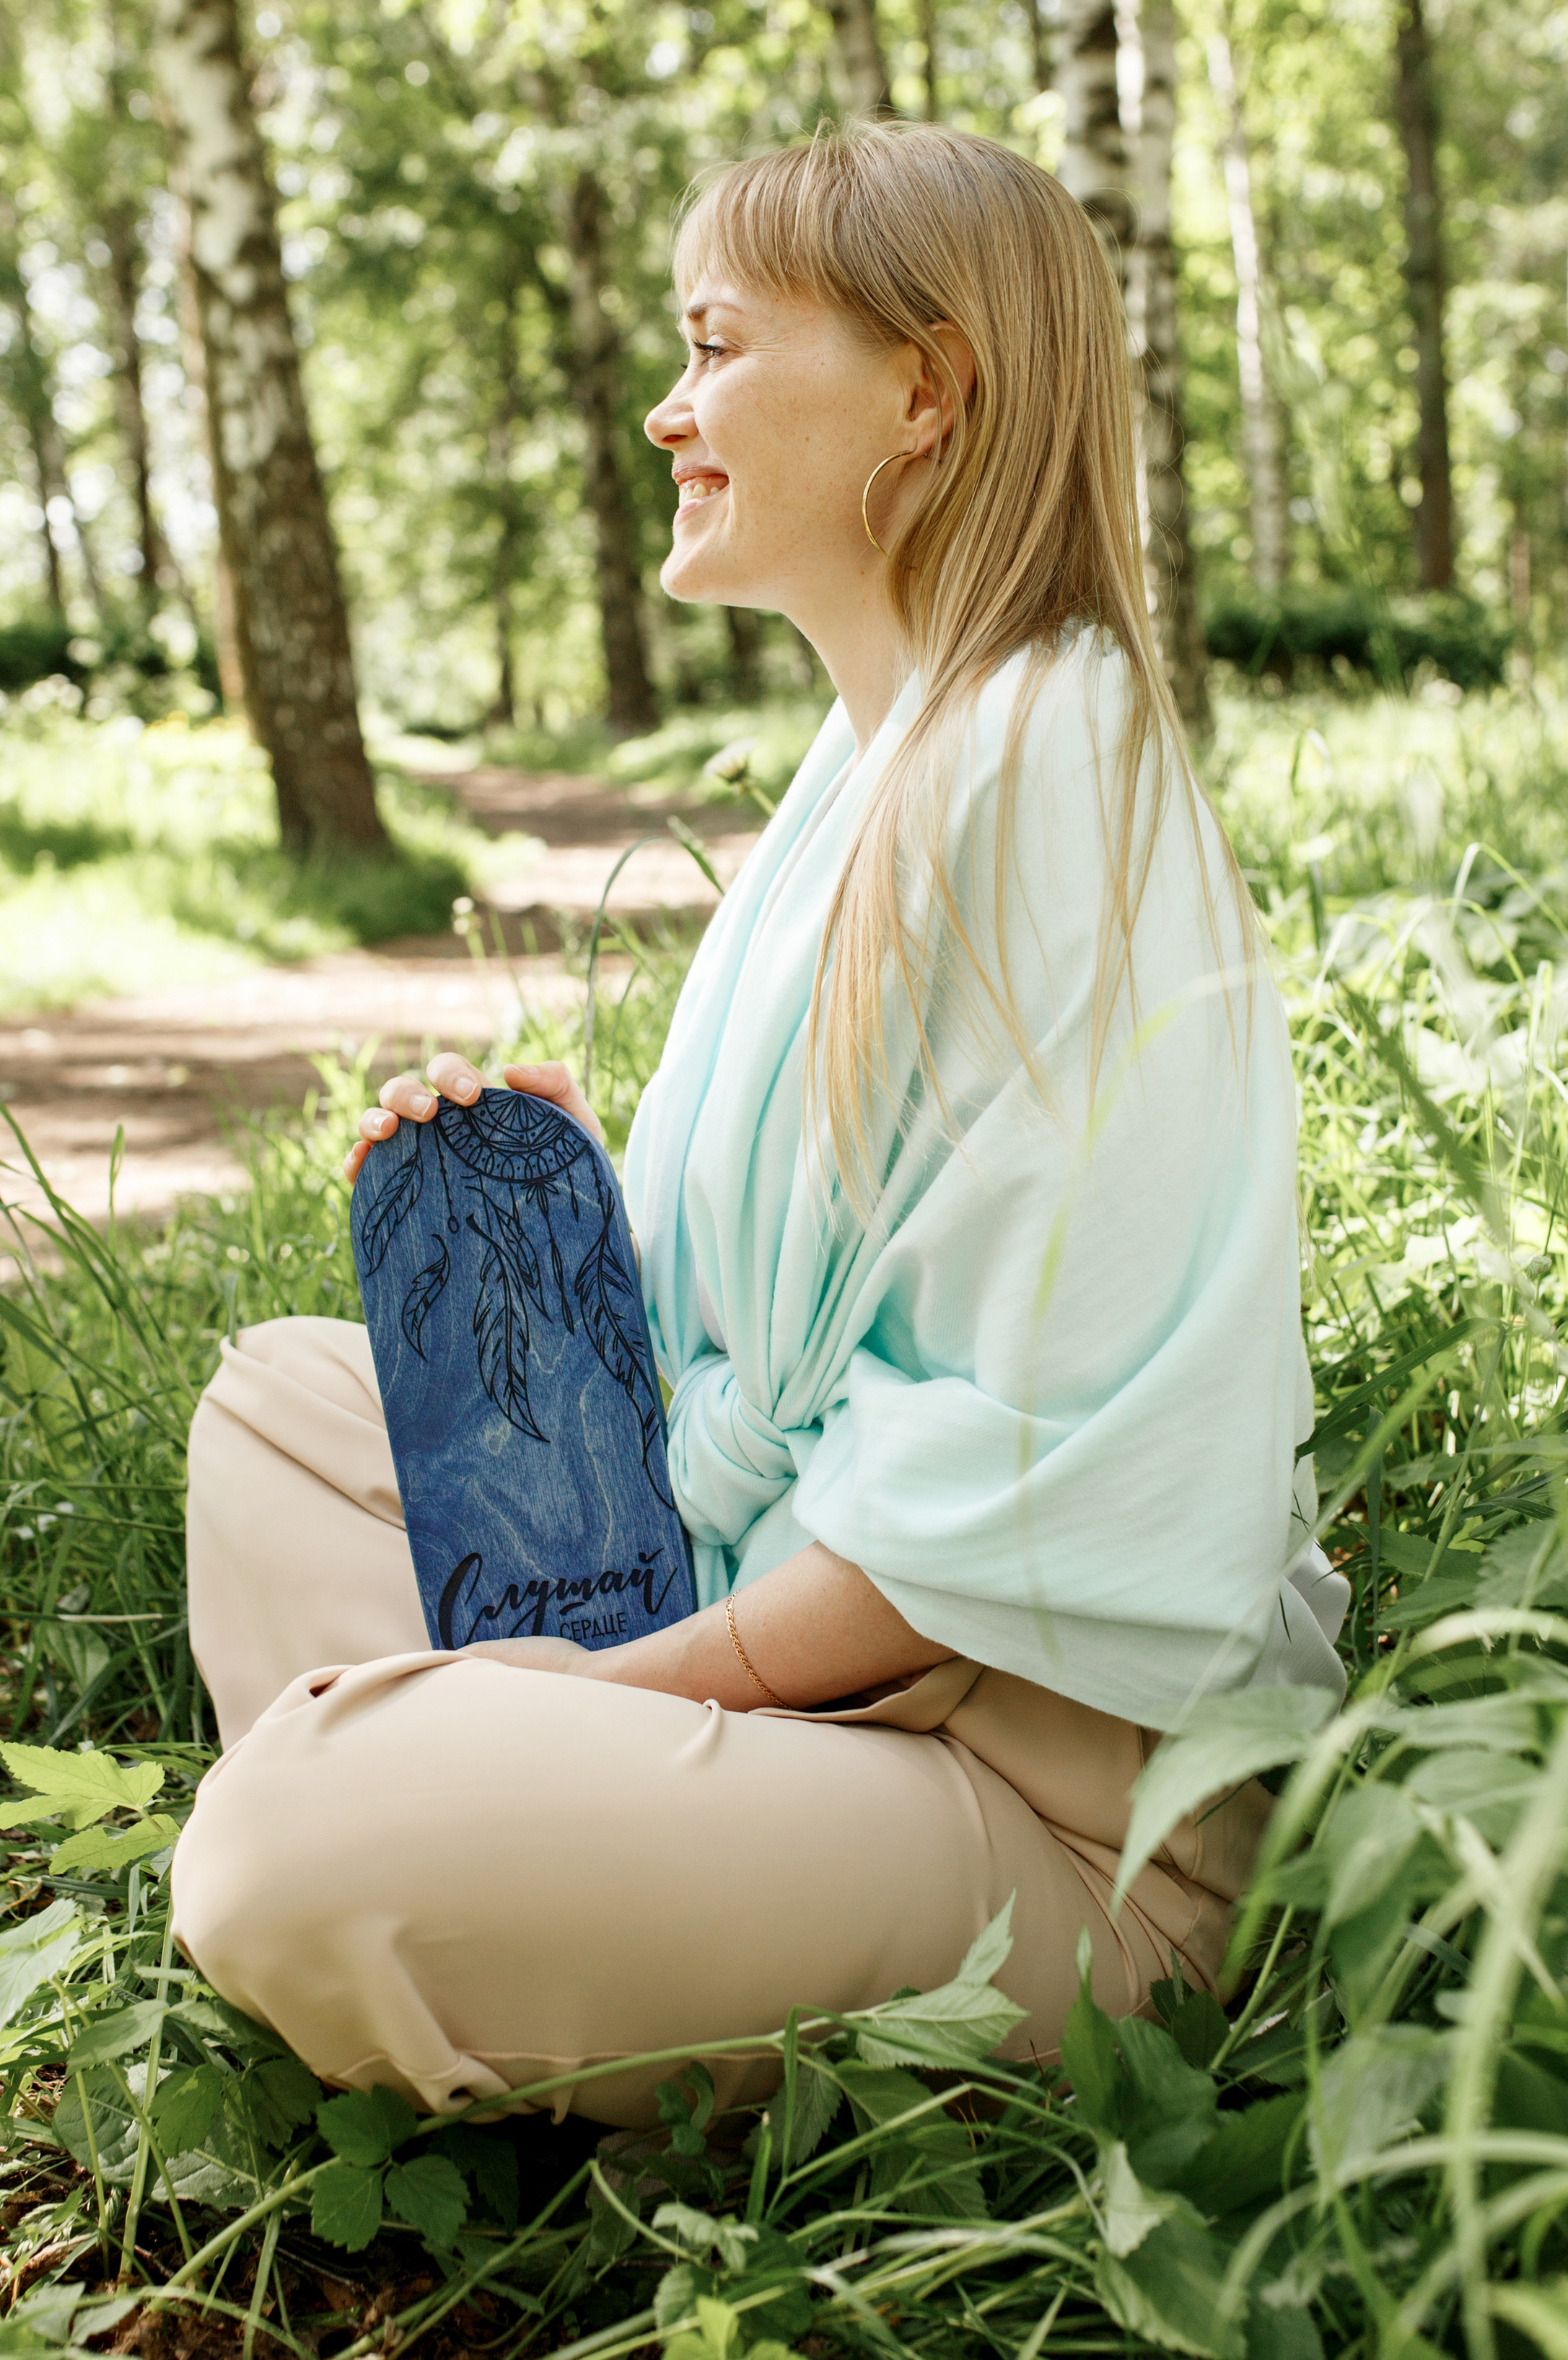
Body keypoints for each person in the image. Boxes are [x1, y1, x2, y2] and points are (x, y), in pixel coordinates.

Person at [170, 122, 1347, 2129]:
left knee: (288, 1851)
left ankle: (470, 1825)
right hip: (820, 1664)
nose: (667, 406)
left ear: (927, 390)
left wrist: (619, 1697)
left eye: (716, 346)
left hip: (1048, 1821)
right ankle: (520, 1840)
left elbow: (1006, 1465)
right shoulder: (883, 756)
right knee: (275, 1406)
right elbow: (813, 1314)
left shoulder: (1053, 767)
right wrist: (550, 1241)